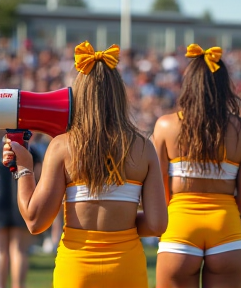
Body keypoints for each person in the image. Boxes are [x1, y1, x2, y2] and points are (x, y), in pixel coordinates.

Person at [2, 41, 168, 288]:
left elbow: (35, 222)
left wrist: (24, 167)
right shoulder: (144, 147)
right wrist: (120, 221)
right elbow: (157, 225)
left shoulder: (62, 146)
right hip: (127, 268)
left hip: (76, 270)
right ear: (120, 95)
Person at [153, 44, 241, 288]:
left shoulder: (165, 126)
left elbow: (158, 196)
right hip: (226, 228)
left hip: (179, 228)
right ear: (224, 86)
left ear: (189, 84)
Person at [0, 130, 31, 288]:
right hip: (21, 199)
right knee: (19, 250)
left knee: (1, 252)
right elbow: (36, 174)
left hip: (2, 201)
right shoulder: (25, 145)